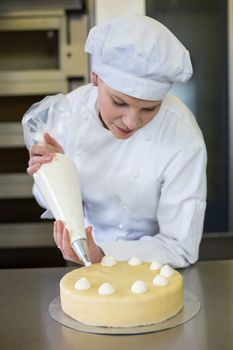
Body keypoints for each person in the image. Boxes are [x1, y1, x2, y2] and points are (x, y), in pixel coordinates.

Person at [26, 13, 207, 268]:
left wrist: (105, 253)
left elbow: (180, 246)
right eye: (119, 102)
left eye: (149, 109)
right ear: (96, 79)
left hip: (157, 265)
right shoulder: (67, 115)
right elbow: (51, 204)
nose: (132, 121)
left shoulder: (182, 135)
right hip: (83, 254)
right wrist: (51, 172)